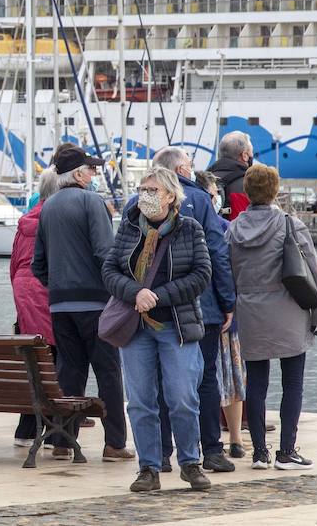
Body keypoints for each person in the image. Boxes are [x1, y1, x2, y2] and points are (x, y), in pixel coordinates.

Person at [103, 165, 213, 493]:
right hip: (135, 326)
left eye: (152, 190)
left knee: (182, 396)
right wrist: (135, 293)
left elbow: (201, 274)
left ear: (169, 195)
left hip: (175, 325)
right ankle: (148, 468)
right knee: (140, 401)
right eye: (142, 189)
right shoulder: (128, 227)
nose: (145, 196)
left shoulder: (189, 229)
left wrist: (158, 296)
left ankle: (190, 462)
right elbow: (109, 270)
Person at [30, 146, 133, 463]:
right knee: (108, 373)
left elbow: (38, 265)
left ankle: (63, 441)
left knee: (69, 372)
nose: (95, 174)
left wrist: (59, 286)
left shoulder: (47, 207)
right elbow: (106, 252)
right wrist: (123, 286)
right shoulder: (92, 201)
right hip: (95, 302)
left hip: (61, 305)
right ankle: (114, 443)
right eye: (91, 169)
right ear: (77, 173)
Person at [228, 164, 317, 471]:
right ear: (275, 191)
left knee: (256, 383)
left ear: (247, 192)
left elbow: (226, 274)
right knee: (293, 383)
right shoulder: (290, 225)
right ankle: (287, 451)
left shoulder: (232, 230)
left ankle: (259, 452)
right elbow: (314, 272)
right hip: (288, 311)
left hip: (249, 312)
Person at [148, 147, 237, 475]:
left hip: (157, 305)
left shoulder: (142, 200)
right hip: (202, 306)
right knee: (204, 377)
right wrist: (228, 301)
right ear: (182, 170)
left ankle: (160, 453)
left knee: (160, 377)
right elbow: (217, 252)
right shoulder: (200, 201)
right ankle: (211, 450)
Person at [196, 169, 247, 458]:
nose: (219, 199)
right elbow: (226, 268)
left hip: (200, 314)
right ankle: (236, 439)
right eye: (216, 195)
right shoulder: (222, 227)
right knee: (230, 376)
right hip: (221, 312)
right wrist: (230, 304)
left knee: (203, 377)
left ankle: (199, 438)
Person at [9, 166, 61, 448]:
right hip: (49, 297)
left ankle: (25, 430)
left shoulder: (25, 221)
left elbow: (15, 263)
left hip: (24, 297)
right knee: (57, 362)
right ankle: (55, 434)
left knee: (34, 365)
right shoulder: (57, 220)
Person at [208, 131, 254, 222]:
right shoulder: (249, 184)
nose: (252, 156)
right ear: (245, 156)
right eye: (251, 153)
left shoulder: (205, 180)